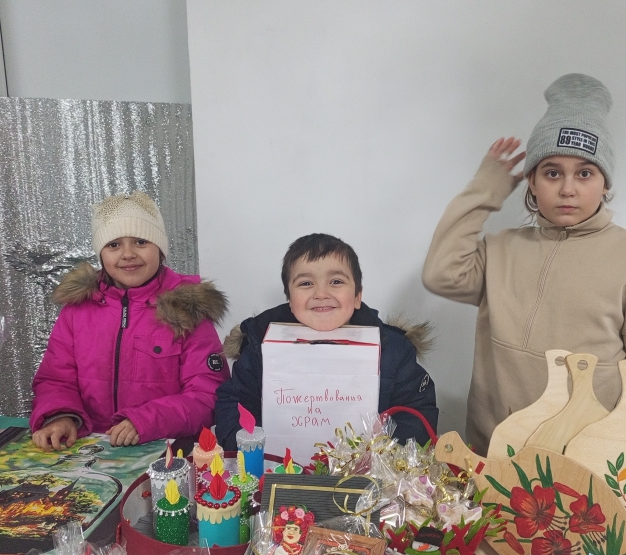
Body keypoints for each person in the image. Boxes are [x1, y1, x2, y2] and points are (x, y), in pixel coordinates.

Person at [422, 73, 626, 452]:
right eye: (552, 172)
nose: (567, 189)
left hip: (586, 460)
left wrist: (625, 440)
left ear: (605, 183)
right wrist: (486, 189)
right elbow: (441, 274)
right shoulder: (501, 250)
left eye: (585, 173)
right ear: (531, 180)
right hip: (494, 453)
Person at [30, 191, 229, 449]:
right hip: (89, 449)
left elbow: (207, 394)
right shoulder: (77, 311)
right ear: (101, 254)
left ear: (160, 250)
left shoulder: (187, 309)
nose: (128, 254)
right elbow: (55, 379)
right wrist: (60, 416)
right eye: (114, 245)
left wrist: (145, 421)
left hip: (166, 450)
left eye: (141, 241)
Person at [215, 233, 438, 450]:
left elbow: (417, 412)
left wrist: (388, 452)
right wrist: (250, 447)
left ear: (357, 296)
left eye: (336, 281)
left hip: (368, 471)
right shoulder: (260, 348)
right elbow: (233, 404)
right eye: (306, 283)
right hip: (278, 470)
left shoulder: (393, 349)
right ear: (290, 299)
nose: (321, 293)